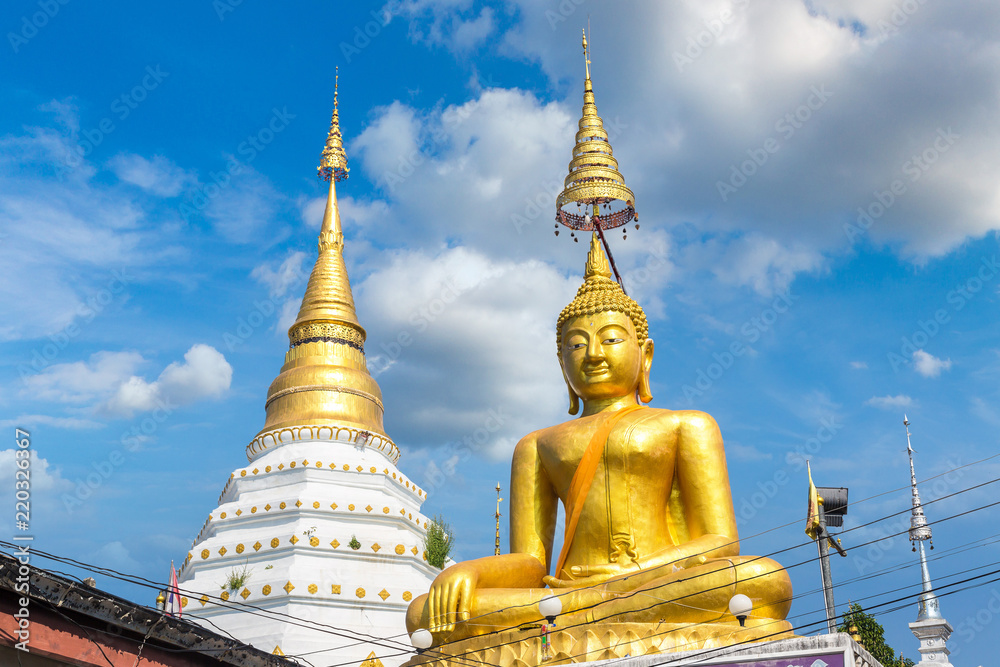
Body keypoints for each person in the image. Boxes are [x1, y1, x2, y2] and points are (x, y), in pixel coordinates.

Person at [406, 233, 792, 645]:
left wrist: (632, 577)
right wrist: (469, 571)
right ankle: (593, 611)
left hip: (651, 583)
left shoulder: (687, 425)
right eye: (576, 344)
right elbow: (532, 562)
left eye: (610, 339)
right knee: (424, 613)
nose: (593, 354)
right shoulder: (536, 445)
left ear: (645, 354)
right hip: (566, 592)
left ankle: (582, 614)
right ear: (561, 363)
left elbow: (721, 542)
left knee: (762, 579)